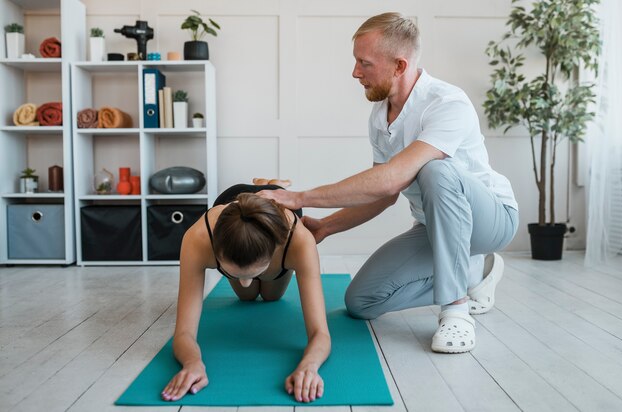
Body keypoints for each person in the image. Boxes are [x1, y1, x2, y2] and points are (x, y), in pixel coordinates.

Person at [259, 12, 519, 353]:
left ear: (399, 65)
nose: (355, 72)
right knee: (361, 302)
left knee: (435, 170)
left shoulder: (447, 103)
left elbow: (392, 178)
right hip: (433, 227)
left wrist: (299, 197)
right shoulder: (380, 116)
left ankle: (456, 311)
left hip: (491, 221)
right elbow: (383, 195)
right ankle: (475, 275)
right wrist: (327, 226)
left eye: (364, 63)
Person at [161, 183, 330, 403]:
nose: (245, 282)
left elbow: (321, 333)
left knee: (271, 296)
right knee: (247, 296)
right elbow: (183, 333)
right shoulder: (197, 238)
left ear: (276, 251)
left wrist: (309, 366)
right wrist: (192, 363)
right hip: (231, 198)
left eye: (255, 272)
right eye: (233, 273)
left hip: (278, 205)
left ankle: (268, 183)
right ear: (215, 251)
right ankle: (257, 186)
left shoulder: (299, 241)